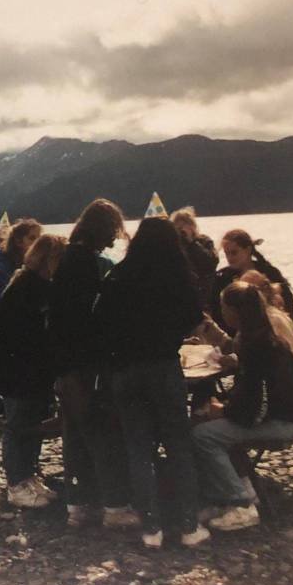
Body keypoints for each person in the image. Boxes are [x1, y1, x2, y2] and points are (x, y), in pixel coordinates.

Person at [95, 217, 210, 548]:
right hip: (163, 367)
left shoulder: (116, 276)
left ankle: (151, 528)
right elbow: (193, 320)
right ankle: (188, 525)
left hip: (126, 371)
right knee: (178, 443)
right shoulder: (178, 277)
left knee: (138, 447)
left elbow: (100, 327)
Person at [48, 199, 138, 529]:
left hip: (65, 362)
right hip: (84, 364)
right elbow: (88, 318)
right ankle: (115, 506)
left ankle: (79, 505)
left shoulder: (67, 258)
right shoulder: (84, 262)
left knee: (75, 434)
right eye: (113, 232)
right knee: (101, 432)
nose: (114, 240)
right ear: (102, 230)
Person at [192, 282, 293, 530]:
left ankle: (241, 505)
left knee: (203, 435)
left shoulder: (258, 345)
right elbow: (254, 397)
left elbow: (257, 407)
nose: (222, 312)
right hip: (284, 414)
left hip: (286, 421)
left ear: (235, 312)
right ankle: (235, 491)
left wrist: (223, 411)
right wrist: (225, 408)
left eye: (224, 307)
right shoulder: (257, 335)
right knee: (212, 424)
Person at [0, 234, 67, 508]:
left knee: (31, 424)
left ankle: (28, 476)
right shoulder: (28, 288)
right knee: (18, 426)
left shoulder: (29, 284)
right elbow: (27, 335)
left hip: (27, 370)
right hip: (19, 371)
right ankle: (16, 482)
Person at [209, 229, 293, 334]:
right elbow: (216, 311)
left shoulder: (268, 272)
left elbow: (287, 300)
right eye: (227, 253)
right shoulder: (222, 278)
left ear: (248, 249)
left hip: (271, 330)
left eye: (234, 252)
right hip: (235, 334)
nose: (230, 258)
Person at [0, 219, 42, 364]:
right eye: (32, 238)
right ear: (18, 241)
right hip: (7, 338)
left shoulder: (28, 265)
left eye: (39, 238)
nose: (37, 243)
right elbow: (1, 308)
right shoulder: (2, 269)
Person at [170, 207, 218, 307]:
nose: (181, 231)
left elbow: (211, 262)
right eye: (177, 228)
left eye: (183, 226)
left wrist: (192, 242)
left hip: (203, 295)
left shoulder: (204, 241)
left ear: (192, 227)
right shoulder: (173, 246)